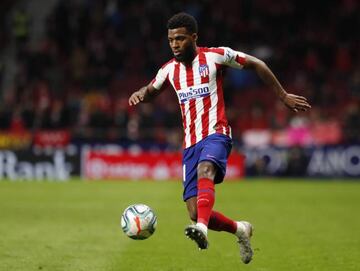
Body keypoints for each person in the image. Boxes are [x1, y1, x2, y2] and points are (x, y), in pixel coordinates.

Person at [128, 12, 311, 264]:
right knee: (194, 211)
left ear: (194, 37)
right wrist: (140, 92)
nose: (175, 44)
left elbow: (257, 63)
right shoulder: (168, 70)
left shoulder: (216, 56)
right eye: (171, 40)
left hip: (217, 133)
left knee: (206, 171)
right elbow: (151, 91)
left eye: (180, 39)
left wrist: (282, 96)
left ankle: (202, 229)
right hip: (191, 143)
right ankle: (240, 229)